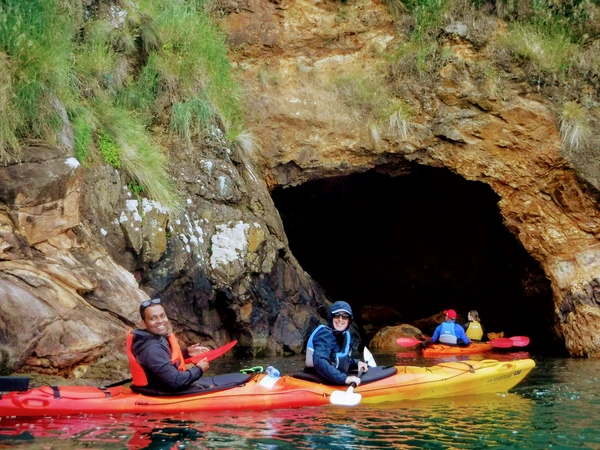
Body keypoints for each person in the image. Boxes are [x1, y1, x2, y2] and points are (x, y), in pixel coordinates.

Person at [127, 298, 210, 394]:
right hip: (161, 393)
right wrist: (199, 369)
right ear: (144, 323)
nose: (160, 321)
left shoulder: (156, 337)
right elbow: (175, 381)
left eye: (162, 316)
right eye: (153, 318)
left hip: (164, 387)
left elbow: (163, 359)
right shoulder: (151, 349)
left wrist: (187, 352)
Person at [305, 300, 369, 386]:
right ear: (331, 318)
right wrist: (344, 379)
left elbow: (337, 360)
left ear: (349, 320)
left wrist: (357, 363)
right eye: (336, 316)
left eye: (345, 317)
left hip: (332, 378)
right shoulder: (324, 334)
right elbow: (320, 361)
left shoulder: (341, 335)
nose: (340, 319)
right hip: (318, 381)